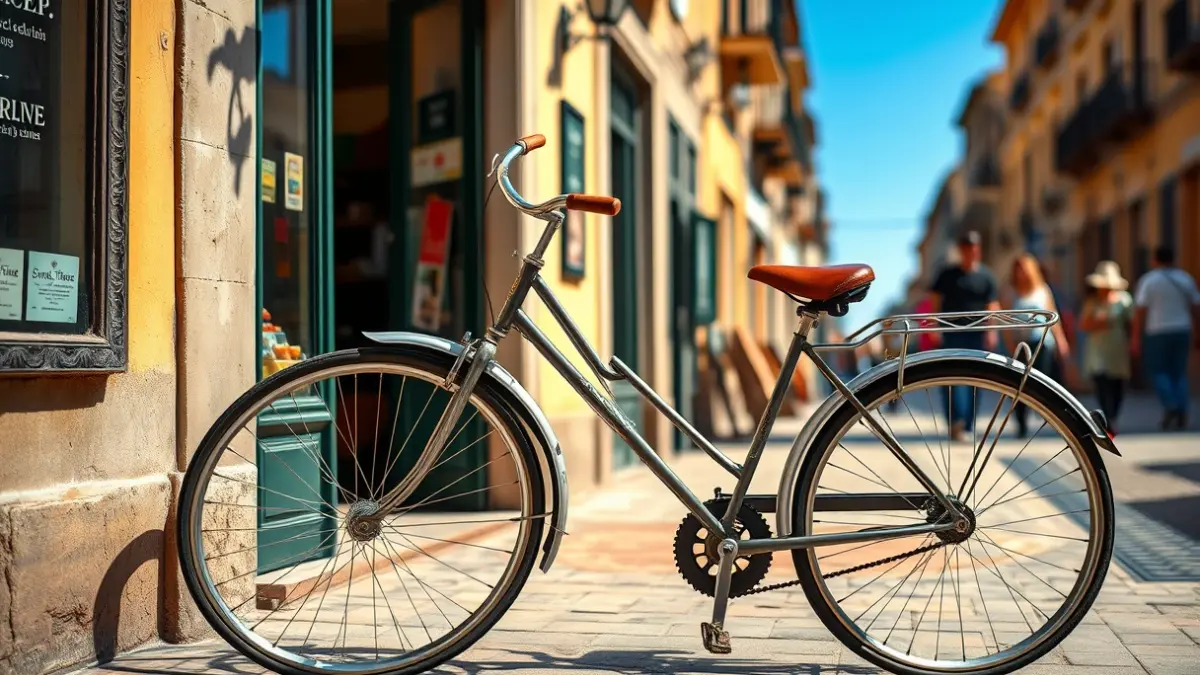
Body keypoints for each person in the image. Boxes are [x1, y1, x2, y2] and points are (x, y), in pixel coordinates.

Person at [928, 230, 1001, 441]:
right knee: (952, 380)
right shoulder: (947, 274)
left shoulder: (987, 277)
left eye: (974, 248)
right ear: (961, 250)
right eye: (967, 248)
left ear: (978, 250)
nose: (971, 251)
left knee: (974, 381)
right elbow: (934, 301)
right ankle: (955, 421)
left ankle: (968, 425)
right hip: (951, 335)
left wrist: (991, 330)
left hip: (976, 336)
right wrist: (933, 327)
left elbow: (992, 306)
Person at [1131, 245, 1200, 430]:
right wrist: (1197, 331)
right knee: (1179, 373)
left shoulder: (1149, 281)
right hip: (1182, 330)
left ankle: (1170, 404)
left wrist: (1136, 337)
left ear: (1155, 260)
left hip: (1157, 331)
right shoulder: (1185, 279)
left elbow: (1140, 311)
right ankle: (1181, 408)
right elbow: (1195, 308)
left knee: (1159, 372)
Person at [1003, 253, 1071, 438]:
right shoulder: (1011, 292)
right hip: (1020, 345)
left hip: (1042, 343)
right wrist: (1010, 346)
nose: (1021, 274)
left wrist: (1061, 341)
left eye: (1024, 270)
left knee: (1041, 383)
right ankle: (1021, 422)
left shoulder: (1042, 290)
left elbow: (1053, 316)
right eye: (1018, 270)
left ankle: (1047, 418)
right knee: (1018, 386)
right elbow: (1006, 323)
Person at [1079, 261, 1133, 435]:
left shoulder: (1124, 300)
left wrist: (1134, 341)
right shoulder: (1092, 302)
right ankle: (1108, 420)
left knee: (1117, 384)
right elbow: (1083, 324)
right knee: (1101, 382)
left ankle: (1113, 416)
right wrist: (1098, 322)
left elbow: (1131, 323)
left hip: (1117, 346)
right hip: (1098, 347)